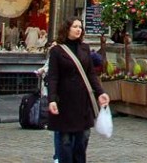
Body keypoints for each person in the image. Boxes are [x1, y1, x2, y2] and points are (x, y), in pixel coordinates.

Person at [46, 17, 110, 163]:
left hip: (82, 100)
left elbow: (91, 74)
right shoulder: (57, 50)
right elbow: (53, 77)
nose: (78, 29)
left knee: (83, 138)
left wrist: (100, 92)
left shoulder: (84, 48)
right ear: (67, 29)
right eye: (75, 26)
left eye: (80, 27)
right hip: (65, 100)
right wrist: (52, 99)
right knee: (65, 140)